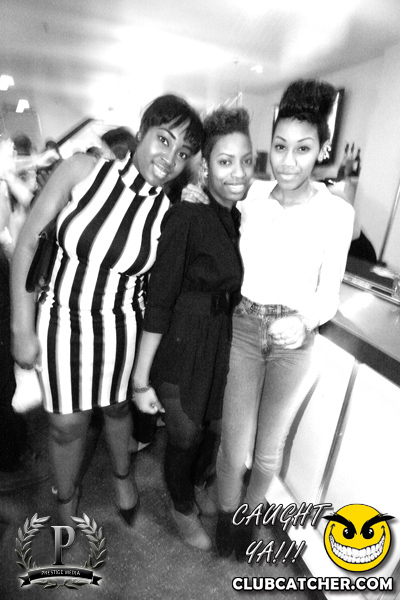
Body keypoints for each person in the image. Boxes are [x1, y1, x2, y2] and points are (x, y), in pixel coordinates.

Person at [10, 94, 204, 528]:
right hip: (60, 320)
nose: (170, 158)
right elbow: (27, 243)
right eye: (164, 139)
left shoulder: (169, 214)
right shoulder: (82, 170)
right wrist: (21, 326)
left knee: (116, 408)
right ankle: (66, 499)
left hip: (122, 327)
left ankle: (122, 473)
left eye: (183, 152)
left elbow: (171, 286)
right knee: (66, 425)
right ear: (142, 132)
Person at [185, 80, 354, 559]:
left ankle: (250, 519)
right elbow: (215, 193)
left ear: (321, 152)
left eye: (303, 149)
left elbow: (329, 294)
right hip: (243, 328)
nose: (288, 161)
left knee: (267, 452)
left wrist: (305, 321)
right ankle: (227, 524)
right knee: (232, 446)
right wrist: (197, 195)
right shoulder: (252, 197)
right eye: (280, 147)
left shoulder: (337, 213)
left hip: (294, 343)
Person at [132, 107, 254, 550]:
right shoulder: (186, 215)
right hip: (183, 342)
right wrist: (140, 378)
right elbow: (160, 298)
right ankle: (181, 507)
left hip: (223, 341)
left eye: (246, 160)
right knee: (186, 434)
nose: (237, 172)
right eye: (225, 161)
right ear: (205, 167)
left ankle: (197, 484)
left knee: (215, 430)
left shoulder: (238, 217)